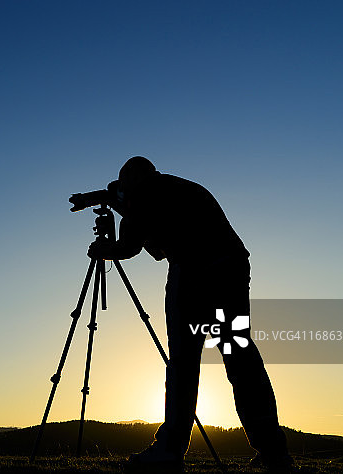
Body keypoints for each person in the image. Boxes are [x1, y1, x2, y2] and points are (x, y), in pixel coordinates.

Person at [87, 157, 292, 472]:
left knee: (183, 364)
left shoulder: (144, 194)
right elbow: (152, 236)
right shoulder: (180, 187)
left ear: (132, 180)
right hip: (230, 267)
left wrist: (103, 250)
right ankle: (273, 450)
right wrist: (111, 200)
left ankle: (170, 448)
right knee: (240, 358)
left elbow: (129, 246)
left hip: (195, 274)